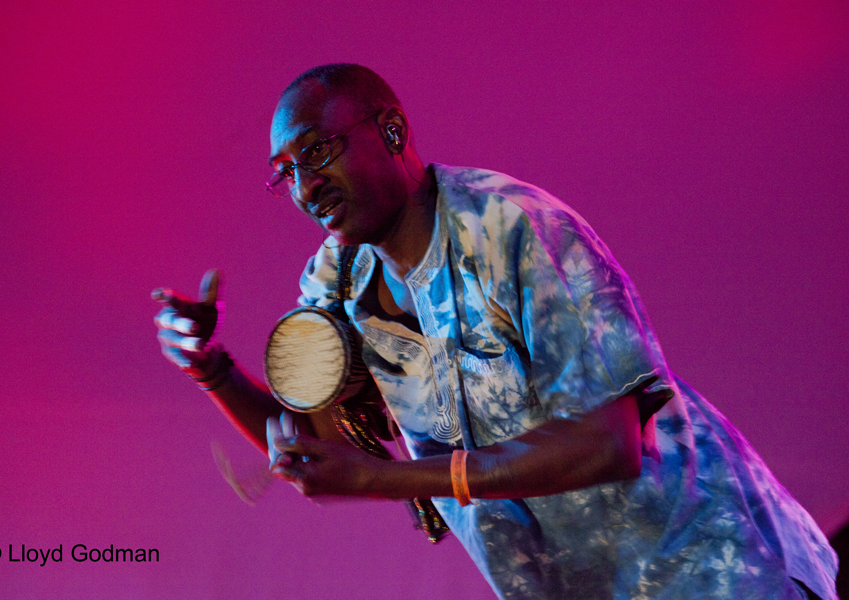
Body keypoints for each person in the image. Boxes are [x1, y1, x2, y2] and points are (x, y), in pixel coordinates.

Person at [153, 64, 838, 599]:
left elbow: (612, 443)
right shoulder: (336, 282)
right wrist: (210, 367)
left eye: (318, 151)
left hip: (707, 569)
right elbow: (326, 444)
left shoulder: (513, 228)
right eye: (285, 172)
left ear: (390, 131)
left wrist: (385, 482)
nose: (305, 185)